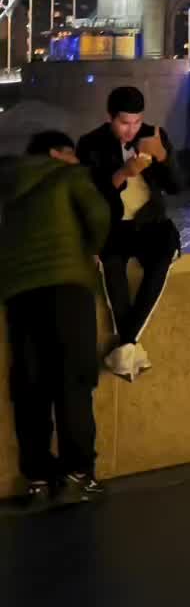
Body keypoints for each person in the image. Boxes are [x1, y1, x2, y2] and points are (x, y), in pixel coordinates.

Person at [0, 130, 111, 507]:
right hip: (67, 290)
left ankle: (36, 478)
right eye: (72, 153)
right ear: (56, 154)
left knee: (30, 387)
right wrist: (90, 250)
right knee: (72, 382)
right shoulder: (70, 177)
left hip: (19, 294)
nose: (78, 160)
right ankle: (78, 474)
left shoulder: (9, 184)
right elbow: (100, 219)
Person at [77, 86, 182, 381]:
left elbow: (176, 187)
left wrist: (162, 157)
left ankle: (125, 346)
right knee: (112, 268)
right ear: (110, 118)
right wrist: (123, 173)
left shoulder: (153, 136)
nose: (131, 129)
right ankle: (129, 348)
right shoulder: (91, 144)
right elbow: (90, 195)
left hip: (150, 225)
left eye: (136, 122)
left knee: (162, 258)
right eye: (124, 122)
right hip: (113, 227)